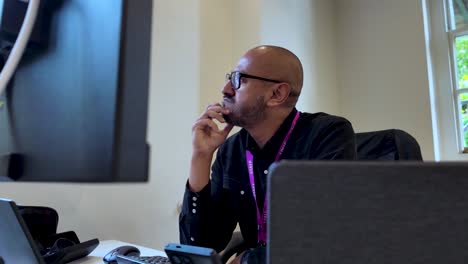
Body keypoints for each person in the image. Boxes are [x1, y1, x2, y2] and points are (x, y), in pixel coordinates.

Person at [179, 45, 356, 263]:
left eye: (238, 80)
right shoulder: (232, 150)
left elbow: (323, 237)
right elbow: (199, 248)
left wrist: (248, 261)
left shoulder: (327, 134)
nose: (225, 88)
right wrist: (201, 157)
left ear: (276, 94)